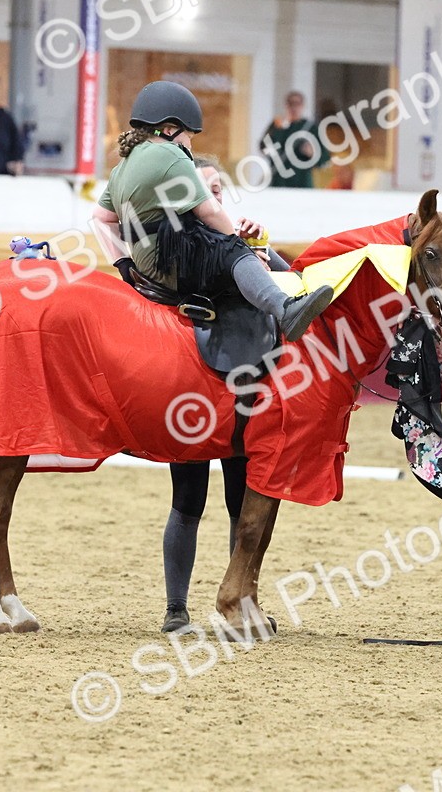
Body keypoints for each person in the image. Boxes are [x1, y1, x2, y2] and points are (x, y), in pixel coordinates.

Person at [159, 154, 292, 632]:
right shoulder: (180, 244)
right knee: (188, 500)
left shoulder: (243, 238)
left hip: (250, 379)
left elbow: (289, 285)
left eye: (218, 189)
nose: (213, 196)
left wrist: (263, 250)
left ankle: (241, 601)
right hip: (196, 381)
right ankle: (176, 609)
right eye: (203, 190)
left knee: (243, 502)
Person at [91, 81, 333, 344]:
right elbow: (210, 212)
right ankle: (285, 308)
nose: (189, 147)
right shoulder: (171, 153)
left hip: (148, 262)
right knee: (234, 248)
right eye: (189, 137)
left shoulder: (121, 168)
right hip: (171, 260)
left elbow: (101, 219)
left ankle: (294, 285)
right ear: (170, 129)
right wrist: (238, 244)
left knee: (236, 243)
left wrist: (124, 264)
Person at [260, 91, 328, 188]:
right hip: (278, 182)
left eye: (297, 104)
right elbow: (263, 147)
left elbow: (324, 159)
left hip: (301, 182)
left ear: (303, 106)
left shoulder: (311, 128)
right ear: (286, 105)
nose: (294, 107)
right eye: (291, 103)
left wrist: (312, 153)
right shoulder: (277, 125)